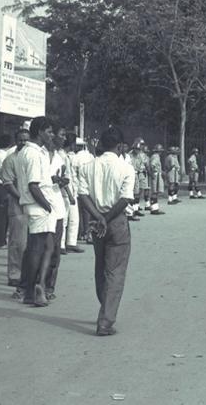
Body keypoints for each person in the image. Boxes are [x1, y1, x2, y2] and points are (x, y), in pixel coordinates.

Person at [77, 127, 135, 336]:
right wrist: (108, 218)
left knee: (100, 265)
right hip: (116, 220)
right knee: (116, 271)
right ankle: (106, 320)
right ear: (120, 146)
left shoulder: (88, 167)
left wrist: (99, 217)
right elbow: (126, 198)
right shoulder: (126, 168)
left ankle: (105, 307)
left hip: (96, 219)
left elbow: (82, 195)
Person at [16, 117, 57, 307]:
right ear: (39, 131)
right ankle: (31, 290)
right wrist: (47, 205)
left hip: (41, 205)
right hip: (38, 205)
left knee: (48, 246)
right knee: (36, 248)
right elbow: (33, 185)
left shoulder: (34, 152)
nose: (52, 135)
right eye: (49, 131)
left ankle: (40, 283)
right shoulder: (32, 154)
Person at [0, 128, 30, 290]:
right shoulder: (10, 160)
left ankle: (29, 274)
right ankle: (14, 274)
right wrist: (21, 198)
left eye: (26, 140)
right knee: (17, 242)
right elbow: (8, 183)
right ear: (15, 141)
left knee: (31, 243)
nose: (23, 143)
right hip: (17, 206)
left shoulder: (33, 157)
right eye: (20, 140)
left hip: (33, 206)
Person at [44, 124, 69, 299]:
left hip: (58, 207)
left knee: (55, 252)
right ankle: (32, 285)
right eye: (61, 134)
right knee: (41, 249)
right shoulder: (40, 156)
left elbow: (63, 178)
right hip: (42, 208)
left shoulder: (60, 158)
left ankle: (49, 287)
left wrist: (61, 181)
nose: (64, 138)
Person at [60, 133, 83, 254]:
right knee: (64, 219)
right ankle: (61, 244)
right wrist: (69, 194)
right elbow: (63, 177)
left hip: (72, 190)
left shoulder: (69, 156)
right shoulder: (62, 156)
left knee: (74, 218)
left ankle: (71, 242)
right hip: (64, 192)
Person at [71, 137, 95, 241]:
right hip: (88, 186)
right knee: (87, 211)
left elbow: (73, 174)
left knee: (79, 211)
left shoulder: (75, 157)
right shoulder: (90, 156)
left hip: (78, 186)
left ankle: (80, 233)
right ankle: (87, 232)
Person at [148, 144, 166, 214]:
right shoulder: (156, 156)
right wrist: (154, 172)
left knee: (155, 192)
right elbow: (153, 164)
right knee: (154, 192)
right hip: (155, 175)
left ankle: (154, 208)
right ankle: (154, 209)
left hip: (156, 174)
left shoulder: (155, 156)